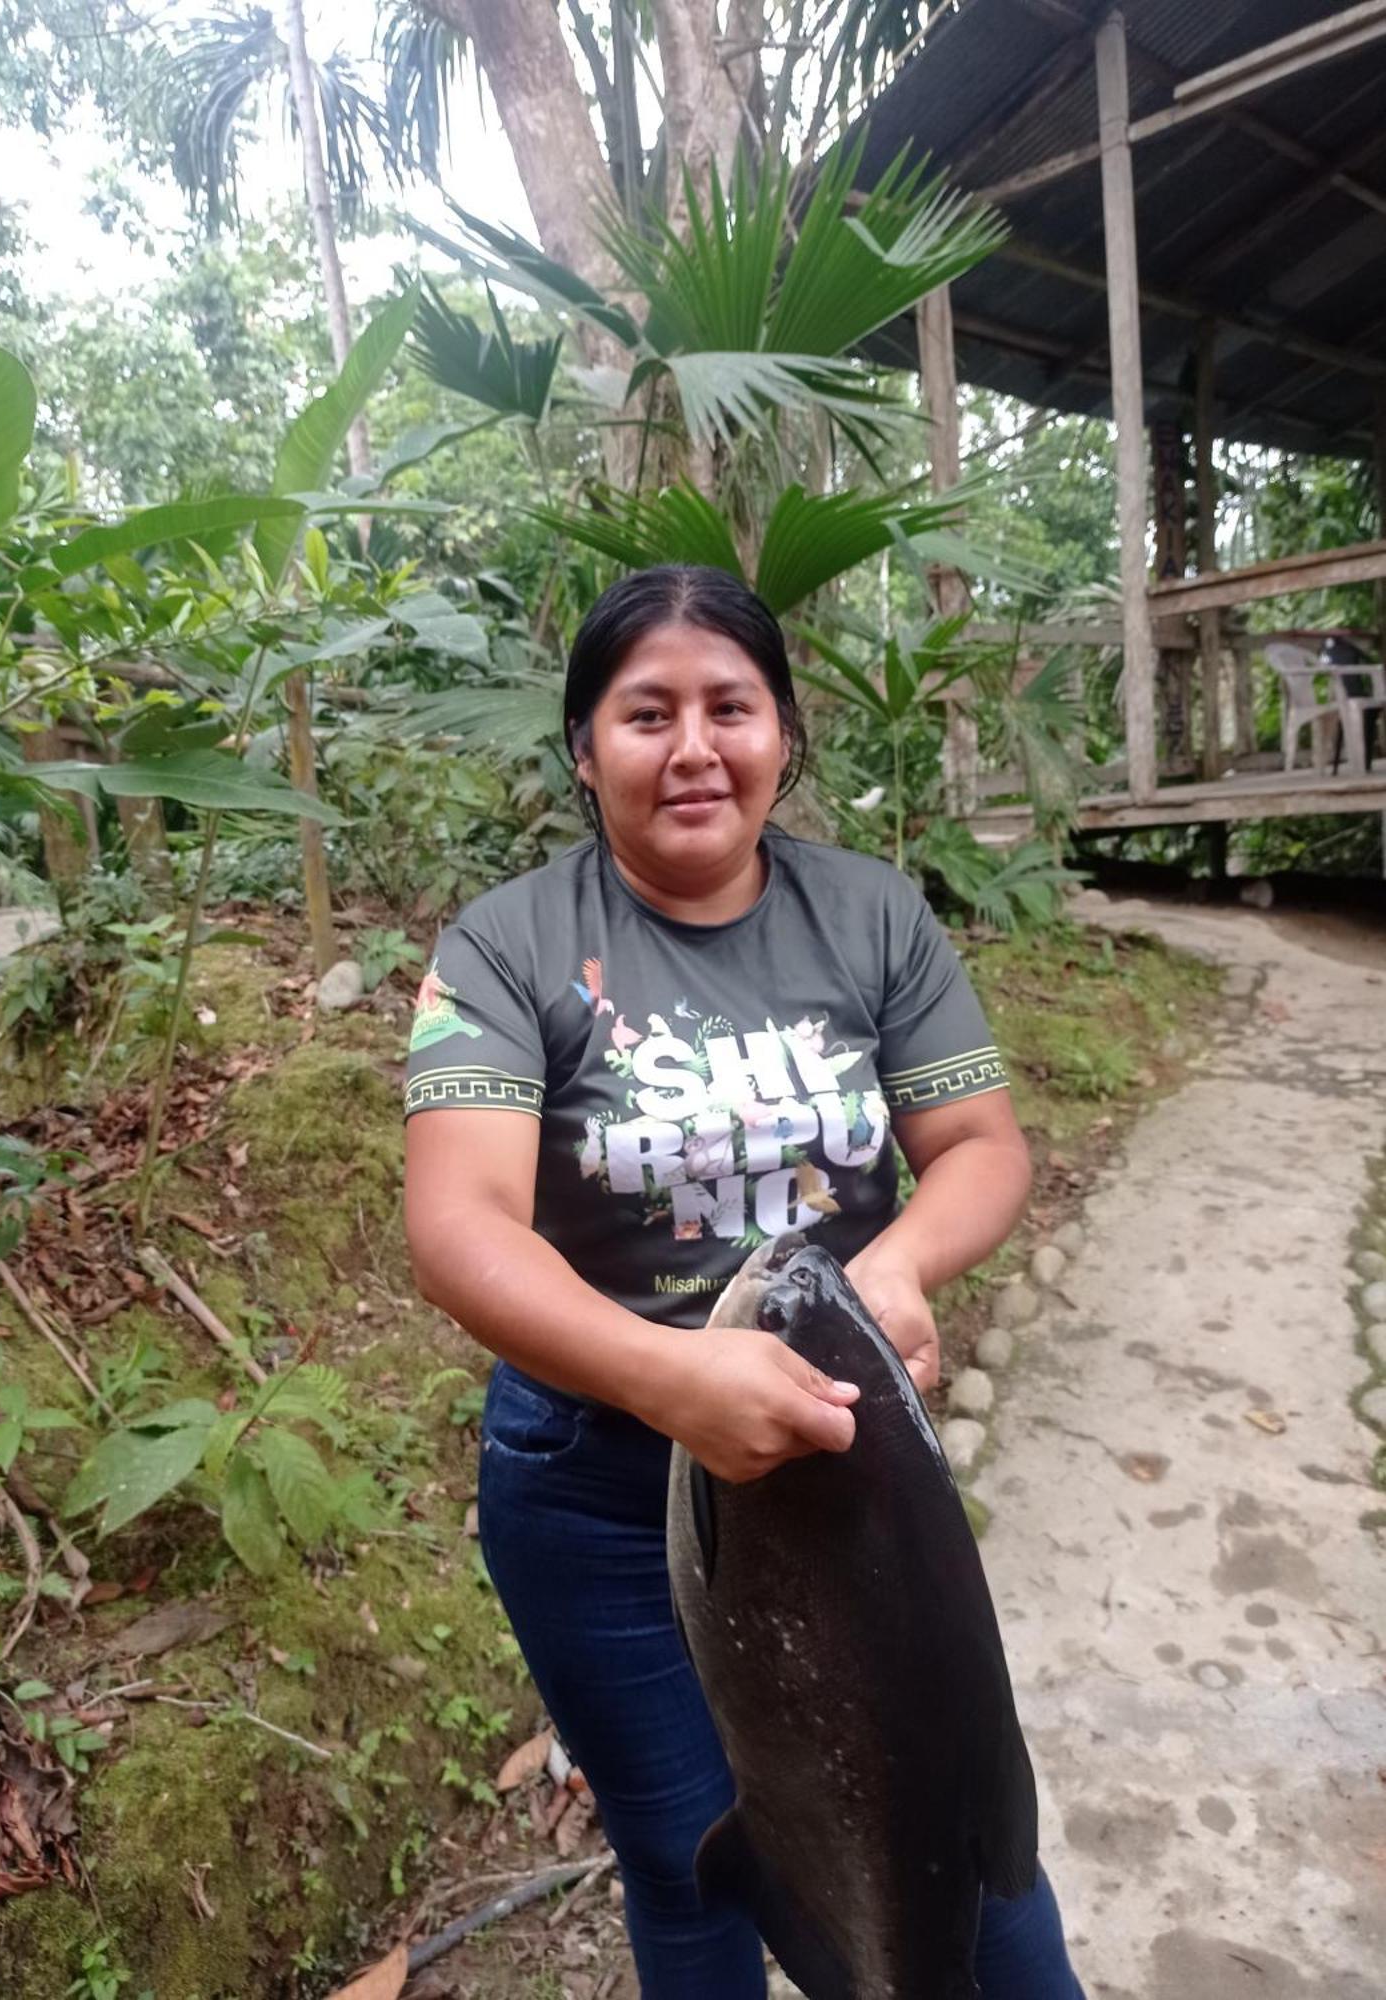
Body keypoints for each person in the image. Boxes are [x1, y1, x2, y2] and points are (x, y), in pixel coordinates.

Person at [404, 565, 1085, 1999]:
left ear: (785, 732)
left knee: (968, 1857)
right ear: (584, 749)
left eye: (733, 705)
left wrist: (895, 1269)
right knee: (695, 1858)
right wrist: (672, 1381)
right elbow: (461, 1227)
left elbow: (980, 1147)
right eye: (647, 712)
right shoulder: (504, 945)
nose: (696, 745)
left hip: (856, 1471)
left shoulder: (872, 914)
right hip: (598, 1487)